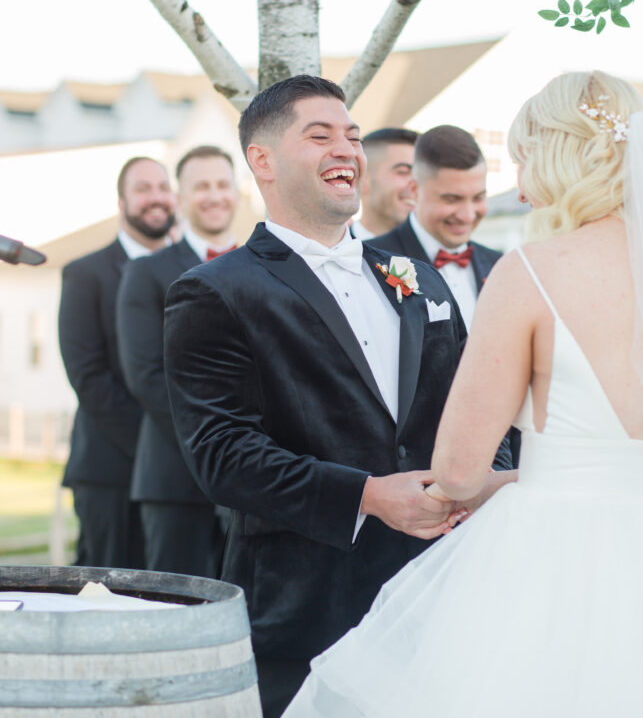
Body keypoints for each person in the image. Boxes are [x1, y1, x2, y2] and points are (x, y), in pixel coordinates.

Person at [285, 70, 643, 718]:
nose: (519, 188)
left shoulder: (530, 272)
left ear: (559, 159)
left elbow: (459, 470)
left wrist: (507, 480)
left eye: (524, 161)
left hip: (560, 559)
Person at [163, 75, 512, 718]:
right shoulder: (215, 291)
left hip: (435, 597)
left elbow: (481, 405)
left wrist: (485, 481)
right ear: (262, 160)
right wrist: (368, 496)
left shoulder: (420, 280)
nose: (346, 149)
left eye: (352, 136)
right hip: (306, 607)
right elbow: (222, 454)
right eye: (319, 135)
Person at [116, 145, 239, 577]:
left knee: (247, 603)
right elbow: (145, 375)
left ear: (238, 193)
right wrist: (220, 442)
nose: (214, 196)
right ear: (180, 199)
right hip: (174, 476)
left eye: (223, 184)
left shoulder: (265, 265)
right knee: (174, 601)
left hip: (254, 478)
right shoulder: (146, 272)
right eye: (201, 186)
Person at [59, 156, 175, 569]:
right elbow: (88, 377)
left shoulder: (193, 270)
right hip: (110, 470)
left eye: (162, 187)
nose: (155, 197)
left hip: (182, 477)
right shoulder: (85, 274)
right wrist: (157, 445)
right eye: (142, 189)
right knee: (106, 590)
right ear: (122, 202)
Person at [369, 124, 499, 331]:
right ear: (414, 190)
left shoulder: (498, 265)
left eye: (478, 198)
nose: (467, 215)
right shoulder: (371, 262)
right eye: (451, 199)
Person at [351, 128, 418, 240]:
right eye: (404, 172)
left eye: (421, 175)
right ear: (362, 180)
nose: (417, 184)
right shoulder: (332, 247)